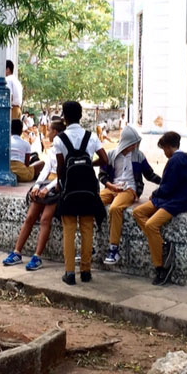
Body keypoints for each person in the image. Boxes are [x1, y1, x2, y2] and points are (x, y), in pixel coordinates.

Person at [133, 130, 187, 286]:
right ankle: (160, 243)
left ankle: (160, 266)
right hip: (169, 198)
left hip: (175, 201)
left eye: (164, 149)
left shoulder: (175, 161)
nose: (164, 153)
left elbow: (168, 186)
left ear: (168, 147)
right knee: (138, 212)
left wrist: (155, 193)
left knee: (151, 225)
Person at [55, 101, 108, 285]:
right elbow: (104, 159)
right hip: (88, 189)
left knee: (69, 230)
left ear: (65, 117)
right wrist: (88, 164)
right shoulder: (91, 137)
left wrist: (61, 184)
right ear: (81, 116)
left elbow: (61, 167)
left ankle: (69, 273)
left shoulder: (59, 139)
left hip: (69, 189)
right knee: (87, 229)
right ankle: (86, 271)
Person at [2, 118, 65, 270]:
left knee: (45, 219)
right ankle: (17, 251)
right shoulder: (51, 150)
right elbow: (45, 170)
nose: (47, 133)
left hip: (57, 186)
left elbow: (63, 174)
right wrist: (36, 186)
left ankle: (37, 256)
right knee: (30, 217)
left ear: (55, 132)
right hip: (45, 184)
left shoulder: (64, 149)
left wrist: (48, 188)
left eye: (49, 130)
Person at [99, 125, 161, 265]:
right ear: (126, 142)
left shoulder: (138, 156)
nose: (135, 146)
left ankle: (114, 248)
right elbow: (102, 175)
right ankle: (88, 243)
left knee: (115, 209)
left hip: (129, 189)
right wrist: (111, 186)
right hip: (112, 187)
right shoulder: (111, 155)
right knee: (92, 202)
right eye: (133, 143)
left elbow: (149, 174)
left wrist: (164, 182)